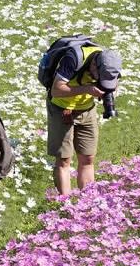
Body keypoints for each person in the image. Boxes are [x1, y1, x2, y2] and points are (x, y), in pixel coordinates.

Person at [47, 46, 121, 195]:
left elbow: (114, 83)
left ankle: (87, 206)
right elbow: (56, 90)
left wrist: (109, 90)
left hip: (87, 109)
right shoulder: (74, 59)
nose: (99, 81)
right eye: (99, 77)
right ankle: (65, 207)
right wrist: (87, 89)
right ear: (94, 65)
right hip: (62, 108)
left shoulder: (111, 62)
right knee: (64, 160)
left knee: (88, 158)